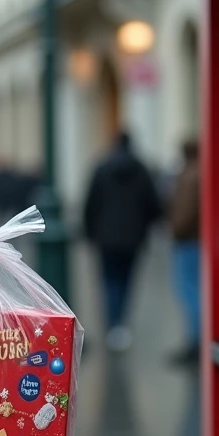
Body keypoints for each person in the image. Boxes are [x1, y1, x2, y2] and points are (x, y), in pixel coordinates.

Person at [83, 132, 162, 351]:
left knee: (109, 280)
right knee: (127, 280)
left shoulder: (102, 168)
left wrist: (89, 232)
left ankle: (112, 324)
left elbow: (91, 202)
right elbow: (153, 205)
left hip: (105, 238)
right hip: (133, 238)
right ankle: (121, 326)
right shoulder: (141, 170)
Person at [168, 139, 202, 366]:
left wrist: (175, 229)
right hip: (194, 239)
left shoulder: (189, 176)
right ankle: (197, 339)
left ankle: (196, 340)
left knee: (189, 290)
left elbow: (184, 212)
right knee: (193, 289)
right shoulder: (199, 173)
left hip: (188, 240)